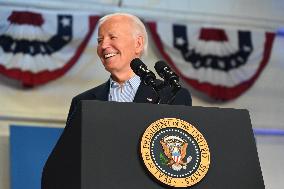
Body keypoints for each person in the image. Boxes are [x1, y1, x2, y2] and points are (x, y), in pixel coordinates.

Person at [41, 13, 192, 189]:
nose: (104, 45)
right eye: (99, 40)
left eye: (112, 37)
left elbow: (179, 163)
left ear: (138, 43)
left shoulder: (171, 94)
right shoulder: (83, 102)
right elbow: (68, 161)